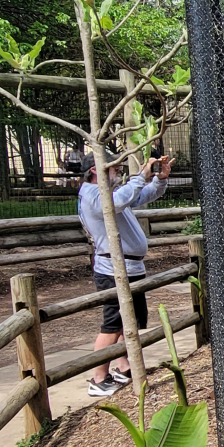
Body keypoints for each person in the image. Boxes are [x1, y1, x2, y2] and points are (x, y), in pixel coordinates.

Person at [79, 153, 174, 395]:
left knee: (126, 323)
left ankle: (122, 367)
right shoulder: (93, 195)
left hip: (130, 267)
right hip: (112, 269)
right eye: (114, 167)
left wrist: (159, 180)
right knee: (111, 325)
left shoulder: (110, 194)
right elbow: (122, 199)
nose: (119, 170)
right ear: (94, 170)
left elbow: (141, 195)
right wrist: (141, 176)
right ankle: (98, 378)